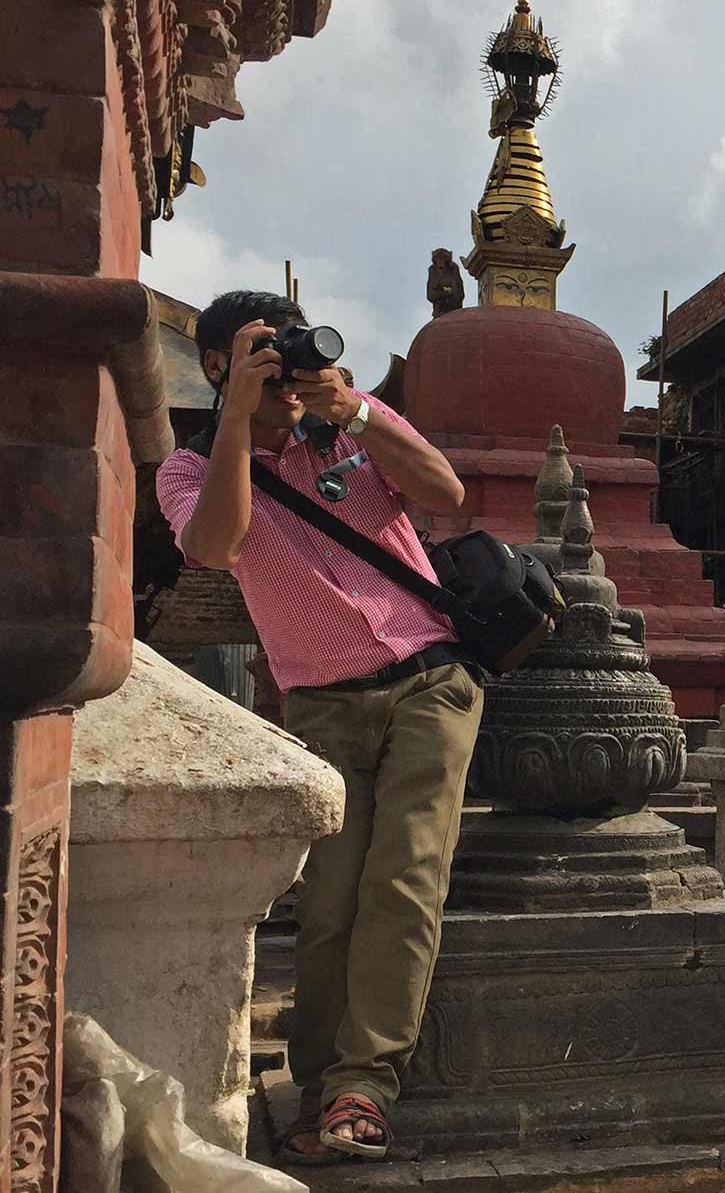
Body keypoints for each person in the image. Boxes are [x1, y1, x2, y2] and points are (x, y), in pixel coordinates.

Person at [155, 290, 483, 1165]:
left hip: (431, 674)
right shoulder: (187, 471)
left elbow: (444, 490)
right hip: (322, 699)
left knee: (406, 877)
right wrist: (233, 424)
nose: (286, 367)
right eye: (262, 351)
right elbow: (218, 544)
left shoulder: (345, 432)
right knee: (330, 897)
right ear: (219, 363)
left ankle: (363, 1089)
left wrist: (357, 408)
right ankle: (315, 1083)